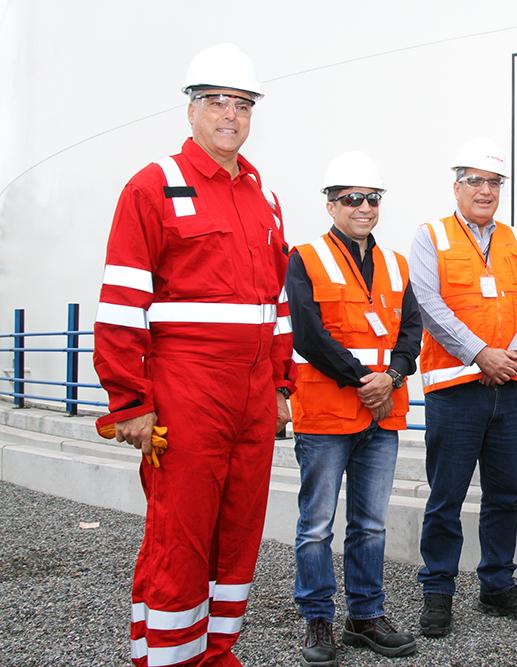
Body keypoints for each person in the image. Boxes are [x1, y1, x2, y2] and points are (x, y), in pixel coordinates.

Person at [93, 43, 295, 666]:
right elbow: (122, 303)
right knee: (179, 533)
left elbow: (277, 304)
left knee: (238, 532)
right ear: (190, 110)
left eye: (242, 104)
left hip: (255, 393)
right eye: (216, 102)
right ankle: (168, 655)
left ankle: (217, 652)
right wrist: (129, 399)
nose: (230, 115)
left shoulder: (263, 197)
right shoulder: (152, 186)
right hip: (186, 389)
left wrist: (283, 389)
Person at [409, 137, 517, 637]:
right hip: (456, 389)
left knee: (505, 495)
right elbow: (427, 302)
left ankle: (496, 584)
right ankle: (438, 590)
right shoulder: (433, 236)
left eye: (494, 182)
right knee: (446, 496)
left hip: (512, 388)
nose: (486, 190)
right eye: (476, 181)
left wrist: (511, 354)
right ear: (457, 186)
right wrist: (479, 353)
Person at [285, 151, 421, 664]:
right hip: (325, 414)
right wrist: (363, 378)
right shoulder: (306, 256)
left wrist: (391, 377)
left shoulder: (395, 263)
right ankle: (317, 620)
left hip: (380, 413)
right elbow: (307, 333)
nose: (364, 207)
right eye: (352, 199)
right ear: (330, 204)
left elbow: (411, 330)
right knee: (316, 523)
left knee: (370, 524)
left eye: (372, 198)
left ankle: (366, 615)